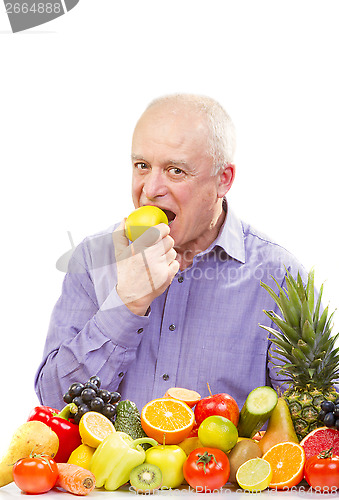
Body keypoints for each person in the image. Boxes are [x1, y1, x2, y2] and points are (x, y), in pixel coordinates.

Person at [35, 93, 307, 412]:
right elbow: (53, 404)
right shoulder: (94, 260)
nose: (150, 190)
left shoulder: (280, 277)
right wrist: (126, 304)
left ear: (223, 180)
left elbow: (309, 425)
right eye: (142, 166)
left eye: (175, 170)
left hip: (214, 464)